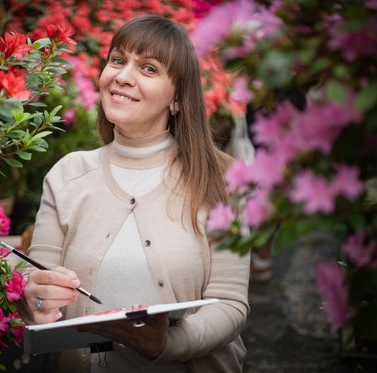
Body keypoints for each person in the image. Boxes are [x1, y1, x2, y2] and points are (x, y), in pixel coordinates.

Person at [21, 14, 250, 373]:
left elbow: (230, 304)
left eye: (148, 68)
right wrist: (33, 292)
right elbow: (36, 279)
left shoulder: (219, 181)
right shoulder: (68, 174)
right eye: (118, 60)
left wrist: (166, 344)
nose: (123, 76)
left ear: (177, 98)